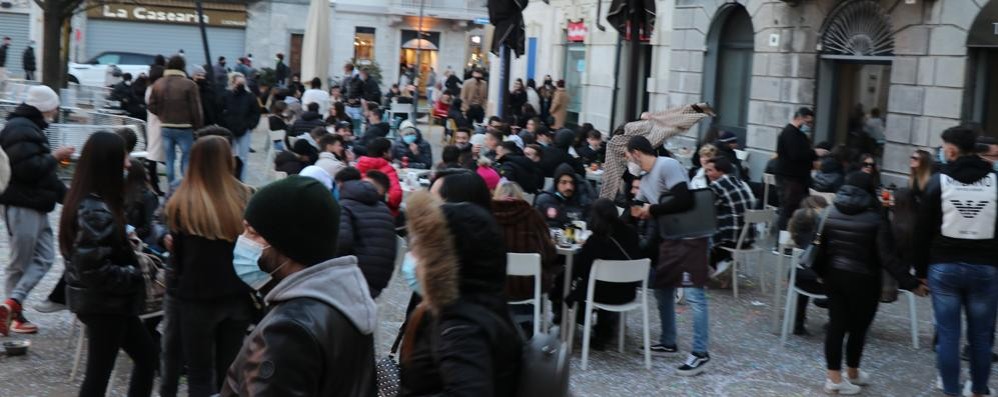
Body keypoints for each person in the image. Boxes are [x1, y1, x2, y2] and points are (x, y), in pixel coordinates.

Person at [221, 176, 376, 396]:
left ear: (288, 243)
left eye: (252, 233)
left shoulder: (289, 330)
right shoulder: (343, 300)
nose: (242, 240)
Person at [59, 132, 157, 396]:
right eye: (124, 157)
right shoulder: (94, 209)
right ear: (109, 162)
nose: (128, 164)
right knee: (98, 376)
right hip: (104, 304)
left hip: (110, 303)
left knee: (147, 356)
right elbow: (93, 269)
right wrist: (135, 273)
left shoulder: (95, 202)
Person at [400, 191, 522, 396]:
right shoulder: (484, 305)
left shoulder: (461, 326)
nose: (415, 259)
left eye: (425, 252)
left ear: (444, 264)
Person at [163, 135, 254, 397]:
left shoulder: (181, 203)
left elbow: (177, 259)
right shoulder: (245, 197)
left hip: (196, 298)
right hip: (237, 295)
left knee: (200, 375)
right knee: (229, 374)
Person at [819, 172, 925, 394]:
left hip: (834, 276)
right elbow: (887, 257)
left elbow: (821, 247)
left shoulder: (830, 211)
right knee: (859, 328)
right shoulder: (876, 218)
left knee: (836, 325)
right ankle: (851, 372)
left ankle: (834, 377)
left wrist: (821, 274)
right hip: (864, 280)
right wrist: (911, 283)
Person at [915, 126, 998, 397]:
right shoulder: (995, 180)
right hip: (985, 266)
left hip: (944, 265)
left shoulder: (938, 182)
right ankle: (977, 390)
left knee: (948, 335)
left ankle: (951, 390)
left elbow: (922, 230)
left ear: (950, 150)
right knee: (981, 337)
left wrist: (920, 270)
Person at [626, 135, 711, 376]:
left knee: (695, 295)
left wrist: (652, 209)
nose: (628, 160)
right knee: (662, 288)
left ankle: (700, 352)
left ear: (637, 152)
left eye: (628, 155)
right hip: (669, 237)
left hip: (690, 235)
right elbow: (638, 207)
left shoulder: (667, 165)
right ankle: (668, 340)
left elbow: (683, 199)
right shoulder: (644, 178)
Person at [0, 86, 72, 335]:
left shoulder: (28, 127)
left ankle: (13, 303)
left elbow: (43, 175)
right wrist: (56, 156)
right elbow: (30, 170)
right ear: (44, 106)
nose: (56, 111)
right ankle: (13, 315)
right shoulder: (21, 129)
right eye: (54, 106)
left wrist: (69, 198)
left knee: (45, 257)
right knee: (20, 262)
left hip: (35, 203)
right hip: (22, 204)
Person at [564, 198, 643, 349]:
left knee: (579, 284)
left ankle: (571, 319)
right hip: (628, 292)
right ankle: (603, 331)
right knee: (598, 282)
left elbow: (580, 270)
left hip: (602, 295)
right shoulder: (631, 233)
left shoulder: (596, 240)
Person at [492, 181, 557, 303]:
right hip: (530, 284)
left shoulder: (487, 217)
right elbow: (549, 252)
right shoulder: (532, 215)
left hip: (496, 284)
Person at [336, 173, 397, 298]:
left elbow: (342, 243)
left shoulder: (344, 206)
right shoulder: (383, 207)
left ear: (341, 186)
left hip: (356, 282)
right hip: (380, 281)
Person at [148, 55, 204, 184]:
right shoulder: (190, 84)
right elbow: (196, 109)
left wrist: (162, 114)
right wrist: (198, 127)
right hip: (185, 127)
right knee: (186, 159)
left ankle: (171, 186)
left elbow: (151, 106)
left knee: (169, 159)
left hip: (166, 127)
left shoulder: (159, 83)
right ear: (183, 67)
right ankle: (186, 186)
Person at [705, 157, 755, 279]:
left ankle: (710, 267)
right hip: (748, 237)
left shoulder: (717, 185)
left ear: (720, 171)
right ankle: (723, 261)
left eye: (710, 170)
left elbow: (707, 210)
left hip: (733, 238)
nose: (707, 174)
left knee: (701, 233)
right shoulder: (738, 182)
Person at [776, 107, 817, 230]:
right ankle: (781, 240)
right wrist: (814, 153)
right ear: (800, 118)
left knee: (795, 208)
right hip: (790, 178)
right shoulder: (790, 133)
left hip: (797, 178)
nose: (809, 126)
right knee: (789, 208)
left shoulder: (797, 134)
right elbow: (796, 155)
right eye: (808, 122)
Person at [219, 72, 260, 180]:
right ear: (232, 82)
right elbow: (219, 111)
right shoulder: (226, 95)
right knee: (229, 157)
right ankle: (229, 179)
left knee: (243, 157)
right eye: (238, 82)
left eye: (242, 81)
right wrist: (224, 125)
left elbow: (256, 112)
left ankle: (242, 180)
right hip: (229, 130)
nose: (241, 84)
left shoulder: (250, 96)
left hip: (244, 130)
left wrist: (250, 125)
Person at [535, 163, 594, 227]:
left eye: (572, 183)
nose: (569, 187)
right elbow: (535, 225)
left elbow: (590, 223)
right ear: (556, 184)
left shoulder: (583, 201)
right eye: (564, 182)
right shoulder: (544, 200)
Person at [356, 137, 402, 216]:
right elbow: (396, 197)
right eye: (390, 150)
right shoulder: (388, 169)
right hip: (384, 215)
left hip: (359, 213)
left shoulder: (359, 166)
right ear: (385, 153)